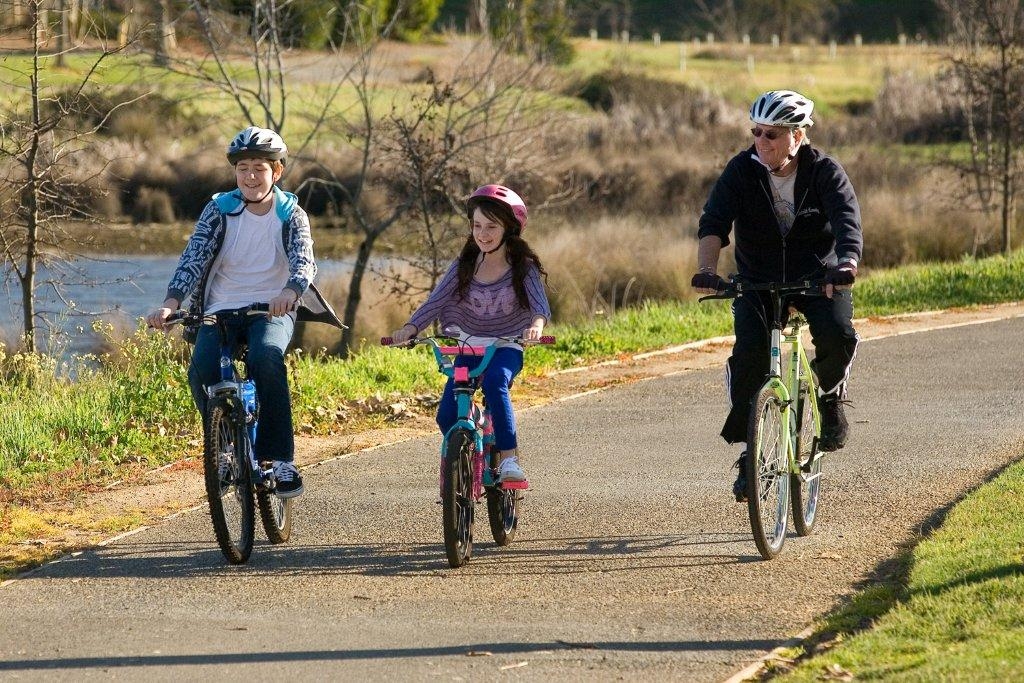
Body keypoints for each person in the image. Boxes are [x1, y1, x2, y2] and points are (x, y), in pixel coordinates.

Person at [147, 126, 342, 499]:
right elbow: (193, 257)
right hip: (219, 309)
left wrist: (290, 291)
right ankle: (224, 450)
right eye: (243, 169)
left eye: (260, 168)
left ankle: (281, 460)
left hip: (271, 309)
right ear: (235, 172)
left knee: (267, 358)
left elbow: (304, 261)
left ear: (277, 172)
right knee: (202, 369)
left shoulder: (291, 214)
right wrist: (170, 304)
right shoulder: (219, 209)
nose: (251, 177)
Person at [691, 90, 862, 502]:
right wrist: (708, 270)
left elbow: (845, 220)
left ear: (798, 136)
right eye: (756, 132)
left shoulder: (824, 171)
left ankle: (829, 394)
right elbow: (714, 221)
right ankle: (753, 453)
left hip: (817, 277)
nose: (761, 141)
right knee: (749, 353)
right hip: (757, 279)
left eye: (772, 134)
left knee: (838, 335)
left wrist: (846, 264)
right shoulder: (741, 171)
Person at [390, 184, 551, 484]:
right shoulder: (464, 266)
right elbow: (435, 301)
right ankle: (469, 439)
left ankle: (508, 460)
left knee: (494, 383)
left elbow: (539, 307)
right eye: (477, 225)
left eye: (491, 226)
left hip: (507, 345)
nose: (483, 233)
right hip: (469, 346)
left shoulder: (522, 268)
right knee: (446, 415)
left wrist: (536, 327)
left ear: (509, 229)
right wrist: (410, 328)